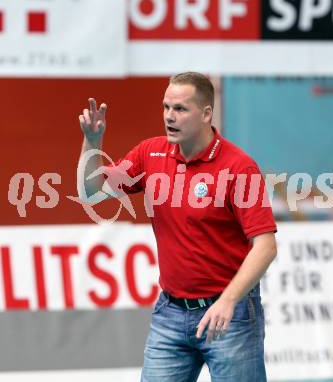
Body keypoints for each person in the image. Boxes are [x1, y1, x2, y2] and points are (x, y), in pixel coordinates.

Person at [78, 72, 277, 381]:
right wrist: (92, 142)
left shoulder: (238, 167)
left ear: (207, 113)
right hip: (170, 314)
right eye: (166, 107)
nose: (169, 116)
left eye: (181, 109)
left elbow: (265, 246)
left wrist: (228, 300)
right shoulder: (150, 153)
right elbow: (92, 192)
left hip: (230, 315)